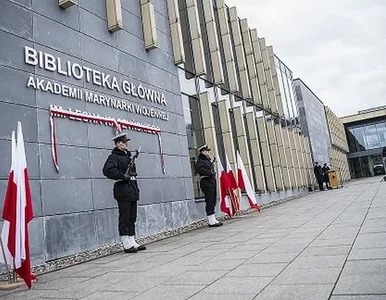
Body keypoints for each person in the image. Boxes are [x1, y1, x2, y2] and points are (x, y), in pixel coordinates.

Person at [102, 132, 146, 253]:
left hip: (132, 189)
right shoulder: (114, 157)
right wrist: (122, 176)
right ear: (118, 144)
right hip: (123, 189)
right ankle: (126, 242)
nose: (127, 144)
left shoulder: (127, 156)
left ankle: (132, 240)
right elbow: (107, 170)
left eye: (127, 142)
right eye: (125, 142)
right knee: (125, 217)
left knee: (132, 217)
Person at [195, 144, 223, 227]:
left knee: (213, 199)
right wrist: (210, 173)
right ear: (203, 152)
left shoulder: (207, 160)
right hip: (206, 181)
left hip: (211, 181)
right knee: (209, 200)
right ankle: (211, 220)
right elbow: (200, 170)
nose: (208, 152)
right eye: (207, 151)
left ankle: (213, 218)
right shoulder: (200, 161)